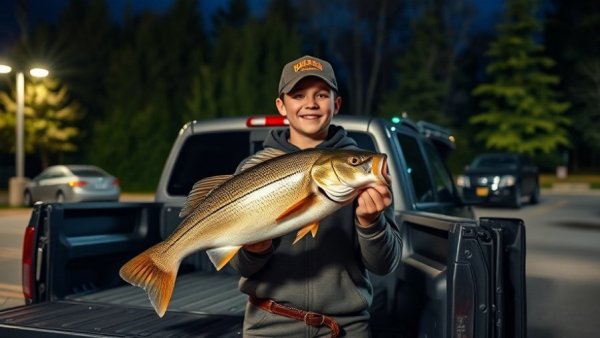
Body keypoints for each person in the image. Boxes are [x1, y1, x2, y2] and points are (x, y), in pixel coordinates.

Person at [229, 55, 402, 338]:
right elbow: (241, 266)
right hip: (269, 325)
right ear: (281, 106)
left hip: (346, 327)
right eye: (298, 95)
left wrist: (371, 223)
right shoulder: (253, 170)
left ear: (337, 104)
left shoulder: (361, 169)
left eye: (321, 95)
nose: (310, 103)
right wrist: (254, 248)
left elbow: (385, 264)